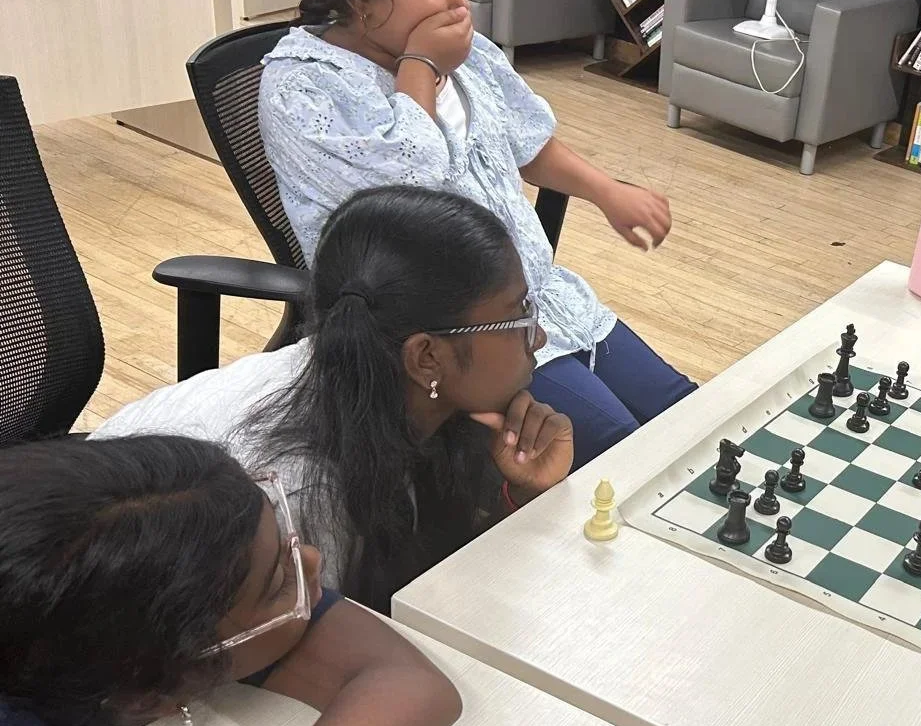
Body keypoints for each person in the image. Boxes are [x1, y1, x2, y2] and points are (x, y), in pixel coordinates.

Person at [258, 0, 693, 468]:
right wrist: (420, 67)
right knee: (622, 455)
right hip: (450, 337)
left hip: (537, 301)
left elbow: (525, 142)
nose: (458, 3)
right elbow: (410, 194)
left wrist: (607, 192)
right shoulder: (303, 88)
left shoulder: (462, 54)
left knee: (687, 416)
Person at [97, 186, 575, 613]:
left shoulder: (385, 377)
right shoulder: (296, 496)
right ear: (426, 357)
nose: (539, 335)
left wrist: (524, 494)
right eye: (519, 315)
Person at [0, 435, 461, 726]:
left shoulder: (139, 606)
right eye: (279, 582)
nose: (312, 560)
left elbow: (411, 684)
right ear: (151, 692)